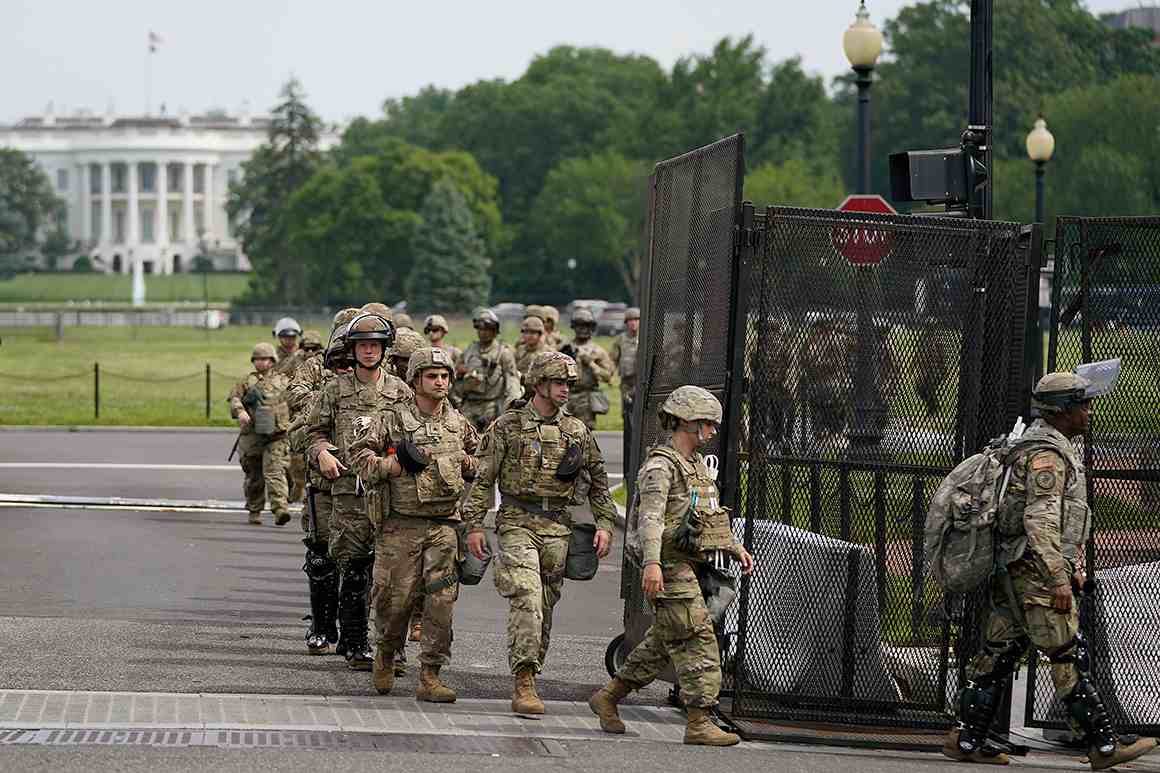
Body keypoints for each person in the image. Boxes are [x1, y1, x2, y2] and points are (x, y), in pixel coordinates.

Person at [944, 371, 1156, 769]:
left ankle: (966, 739)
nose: (1088, 411)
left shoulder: (1035, 445)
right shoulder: (1047, 456)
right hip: (1034, 572)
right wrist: (1058, 576)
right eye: (1082, 404)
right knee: (1067, 652)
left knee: (999, 652)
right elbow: (1040, 520)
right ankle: (1103, 746)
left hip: (1014, 568)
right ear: (1062, 411)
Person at [589, 385, 753, 747]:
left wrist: (731, 544)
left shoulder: (694, 465)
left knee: (663, 641)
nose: (712, 432)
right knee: (699, 638)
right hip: (666, 564)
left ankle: (609, 696)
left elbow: (705, 514)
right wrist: (651, 564)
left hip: (689, 562)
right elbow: (651, 519)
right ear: (686, 422)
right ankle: (699, 720)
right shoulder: (661, 467)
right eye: (706, 424)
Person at [462, 351, 618, 715]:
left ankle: (532, 670)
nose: (566, 390)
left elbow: (598, 483)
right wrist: (474, 525)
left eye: (569, 384)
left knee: (545, 609)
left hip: (558, 529)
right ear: (540, 384)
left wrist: (606, 524)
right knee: (528, 600)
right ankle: (524, 682)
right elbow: (483, 479)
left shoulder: (577, 430)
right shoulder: (507, 426)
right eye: (560, 383)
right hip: (517, 522)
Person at [349, 347, 479, 701]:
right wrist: (389, 467)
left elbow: (481, 461)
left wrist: (469, 464)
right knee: (395, 602)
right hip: (400, 527)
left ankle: (430, 675)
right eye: (432, 376)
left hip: (444, 527)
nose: (439, 383)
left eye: (444, 376)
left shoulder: (457, 422)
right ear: (416, 380)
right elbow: (358, 456)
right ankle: (387, 654)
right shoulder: (392, 419)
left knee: (441, 602)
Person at [307, 313, 413, 670]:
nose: (369, 352)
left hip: (390, 491)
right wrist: (321, 452)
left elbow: (416, 434)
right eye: (362, 346)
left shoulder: (400, 391)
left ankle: (389, 644)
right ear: (352, 350)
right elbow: (314, 432)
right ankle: (354, 642)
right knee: (353, 568)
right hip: (349, 493)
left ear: (384, 350)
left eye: (375, 346)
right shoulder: (334, 390)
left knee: (390, 572)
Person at [287, 308, 359, 656]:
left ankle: (354, 634)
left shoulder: (379, 377)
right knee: (322, 557)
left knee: (359, 562)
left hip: (362, 486)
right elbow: (298, 427)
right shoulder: (317, 371)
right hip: (324, 485)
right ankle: (322, 627)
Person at [228, 342, 292, 527]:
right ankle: (254, 510)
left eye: (265, 359)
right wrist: (240, 412)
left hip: (277, 435)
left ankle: (280, 508)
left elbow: (295, 402)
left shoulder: (283, 381)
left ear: (272, 360)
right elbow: (234, 399)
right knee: (254, 475)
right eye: (257, 359)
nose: (261, 363)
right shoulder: (246, 381)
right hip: (253, 436)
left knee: (275, 472)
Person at [453, 308, 520, 433]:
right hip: (469, 405)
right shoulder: (470, 350)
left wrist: (511, 405)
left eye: (487, 329)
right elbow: (454, 375)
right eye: (480, 329)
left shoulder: (503, 353)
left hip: (492, 407)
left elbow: (512, 381)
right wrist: (460, 372)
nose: (483, 332)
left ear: (495, 331)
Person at [562, 307, 614, 431]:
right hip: (565, 396)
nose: (583, 329)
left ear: (592, 328)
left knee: (584, 436)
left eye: (586, 326)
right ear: (574, 327)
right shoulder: (565, 348)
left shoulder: (598, 351)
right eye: (579, 325)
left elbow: (608, 377)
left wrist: (591, 364)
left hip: (586, 399)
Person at [610, 307, 640, 459]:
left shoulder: (645, 339)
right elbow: (613, 359)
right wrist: (610, 374)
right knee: (627, 414)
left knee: (640, 414)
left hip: (640, 382)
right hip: (626, 383)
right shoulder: (621, 340)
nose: (633, 324)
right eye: (630, 321)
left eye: (636, 320)